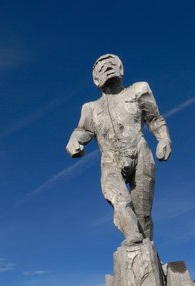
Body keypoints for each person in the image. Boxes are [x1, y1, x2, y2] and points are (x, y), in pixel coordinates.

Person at [66, 54, 171, 245]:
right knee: (118, 199)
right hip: (111, 159)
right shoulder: (90, 108)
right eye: (100, 65)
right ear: (95, 79)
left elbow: (154, 119)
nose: (106, 65)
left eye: (111, 62)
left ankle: (147, 250)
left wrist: (164, 139)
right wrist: (74, 142)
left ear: (121, 69)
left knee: (143, 212)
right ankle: (132, 236)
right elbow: (83, 130)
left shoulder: (139, 90)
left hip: (140, 152)